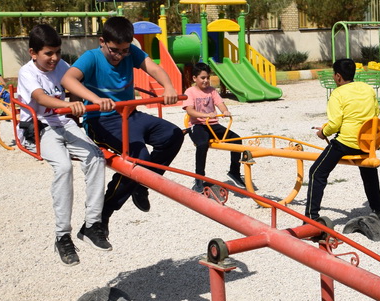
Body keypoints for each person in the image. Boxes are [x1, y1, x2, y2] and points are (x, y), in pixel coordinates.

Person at [62, 16, 183, 229]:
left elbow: (154, 68)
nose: (120, 56)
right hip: (101, 120)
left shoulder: (131, 53)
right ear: (102, 41)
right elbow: (68, 79)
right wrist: (96, 99)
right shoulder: (91, 58)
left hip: (130, 115)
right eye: (114, 50)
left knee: (173, 135)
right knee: (139, 156)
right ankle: (103, 215)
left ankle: (142, 183)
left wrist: (169, 87)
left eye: (125, 50)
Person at [16, 24, 111, 266]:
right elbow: (40, 98)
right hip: (39, 126)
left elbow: (74, 85)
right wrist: (69, 106)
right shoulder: (27, 73)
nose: (54, 58)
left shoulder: (62, 66)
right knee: (63, 167)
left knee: (96, 157)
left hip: (63, 122)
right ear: (33, 53)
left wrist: (85, 101)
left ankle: (92, 225)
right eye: (48, 53)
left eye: (57, 52)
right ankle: (62, 236)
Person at [305, 58, 380, 225]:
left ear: (338, 76)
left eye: (334, 75)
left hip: (346, 144)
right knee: (368, 171)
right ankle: (377, 210)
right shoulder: (367, 89)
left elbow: (335, 124)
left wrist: (322, 132)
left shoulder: (337, 93)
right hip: (366, 142)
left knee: (316, 172)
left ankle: (310, 218)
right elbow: (376, 112)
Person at [183, 63, 244, 192]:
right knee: (202, 144)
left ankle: (234, 172)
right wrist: (205, 115)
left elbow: (220, 104)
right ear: (195, 78)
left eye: (207, 78)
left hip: (213, 125)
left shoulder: (212, 91)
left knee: (237, 140)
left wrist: (225, 111)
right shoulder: (190, 92)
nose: (206, 81)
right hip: (198, 125)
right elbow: (190, 111)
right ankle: (199, 179)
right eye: (202, 78)